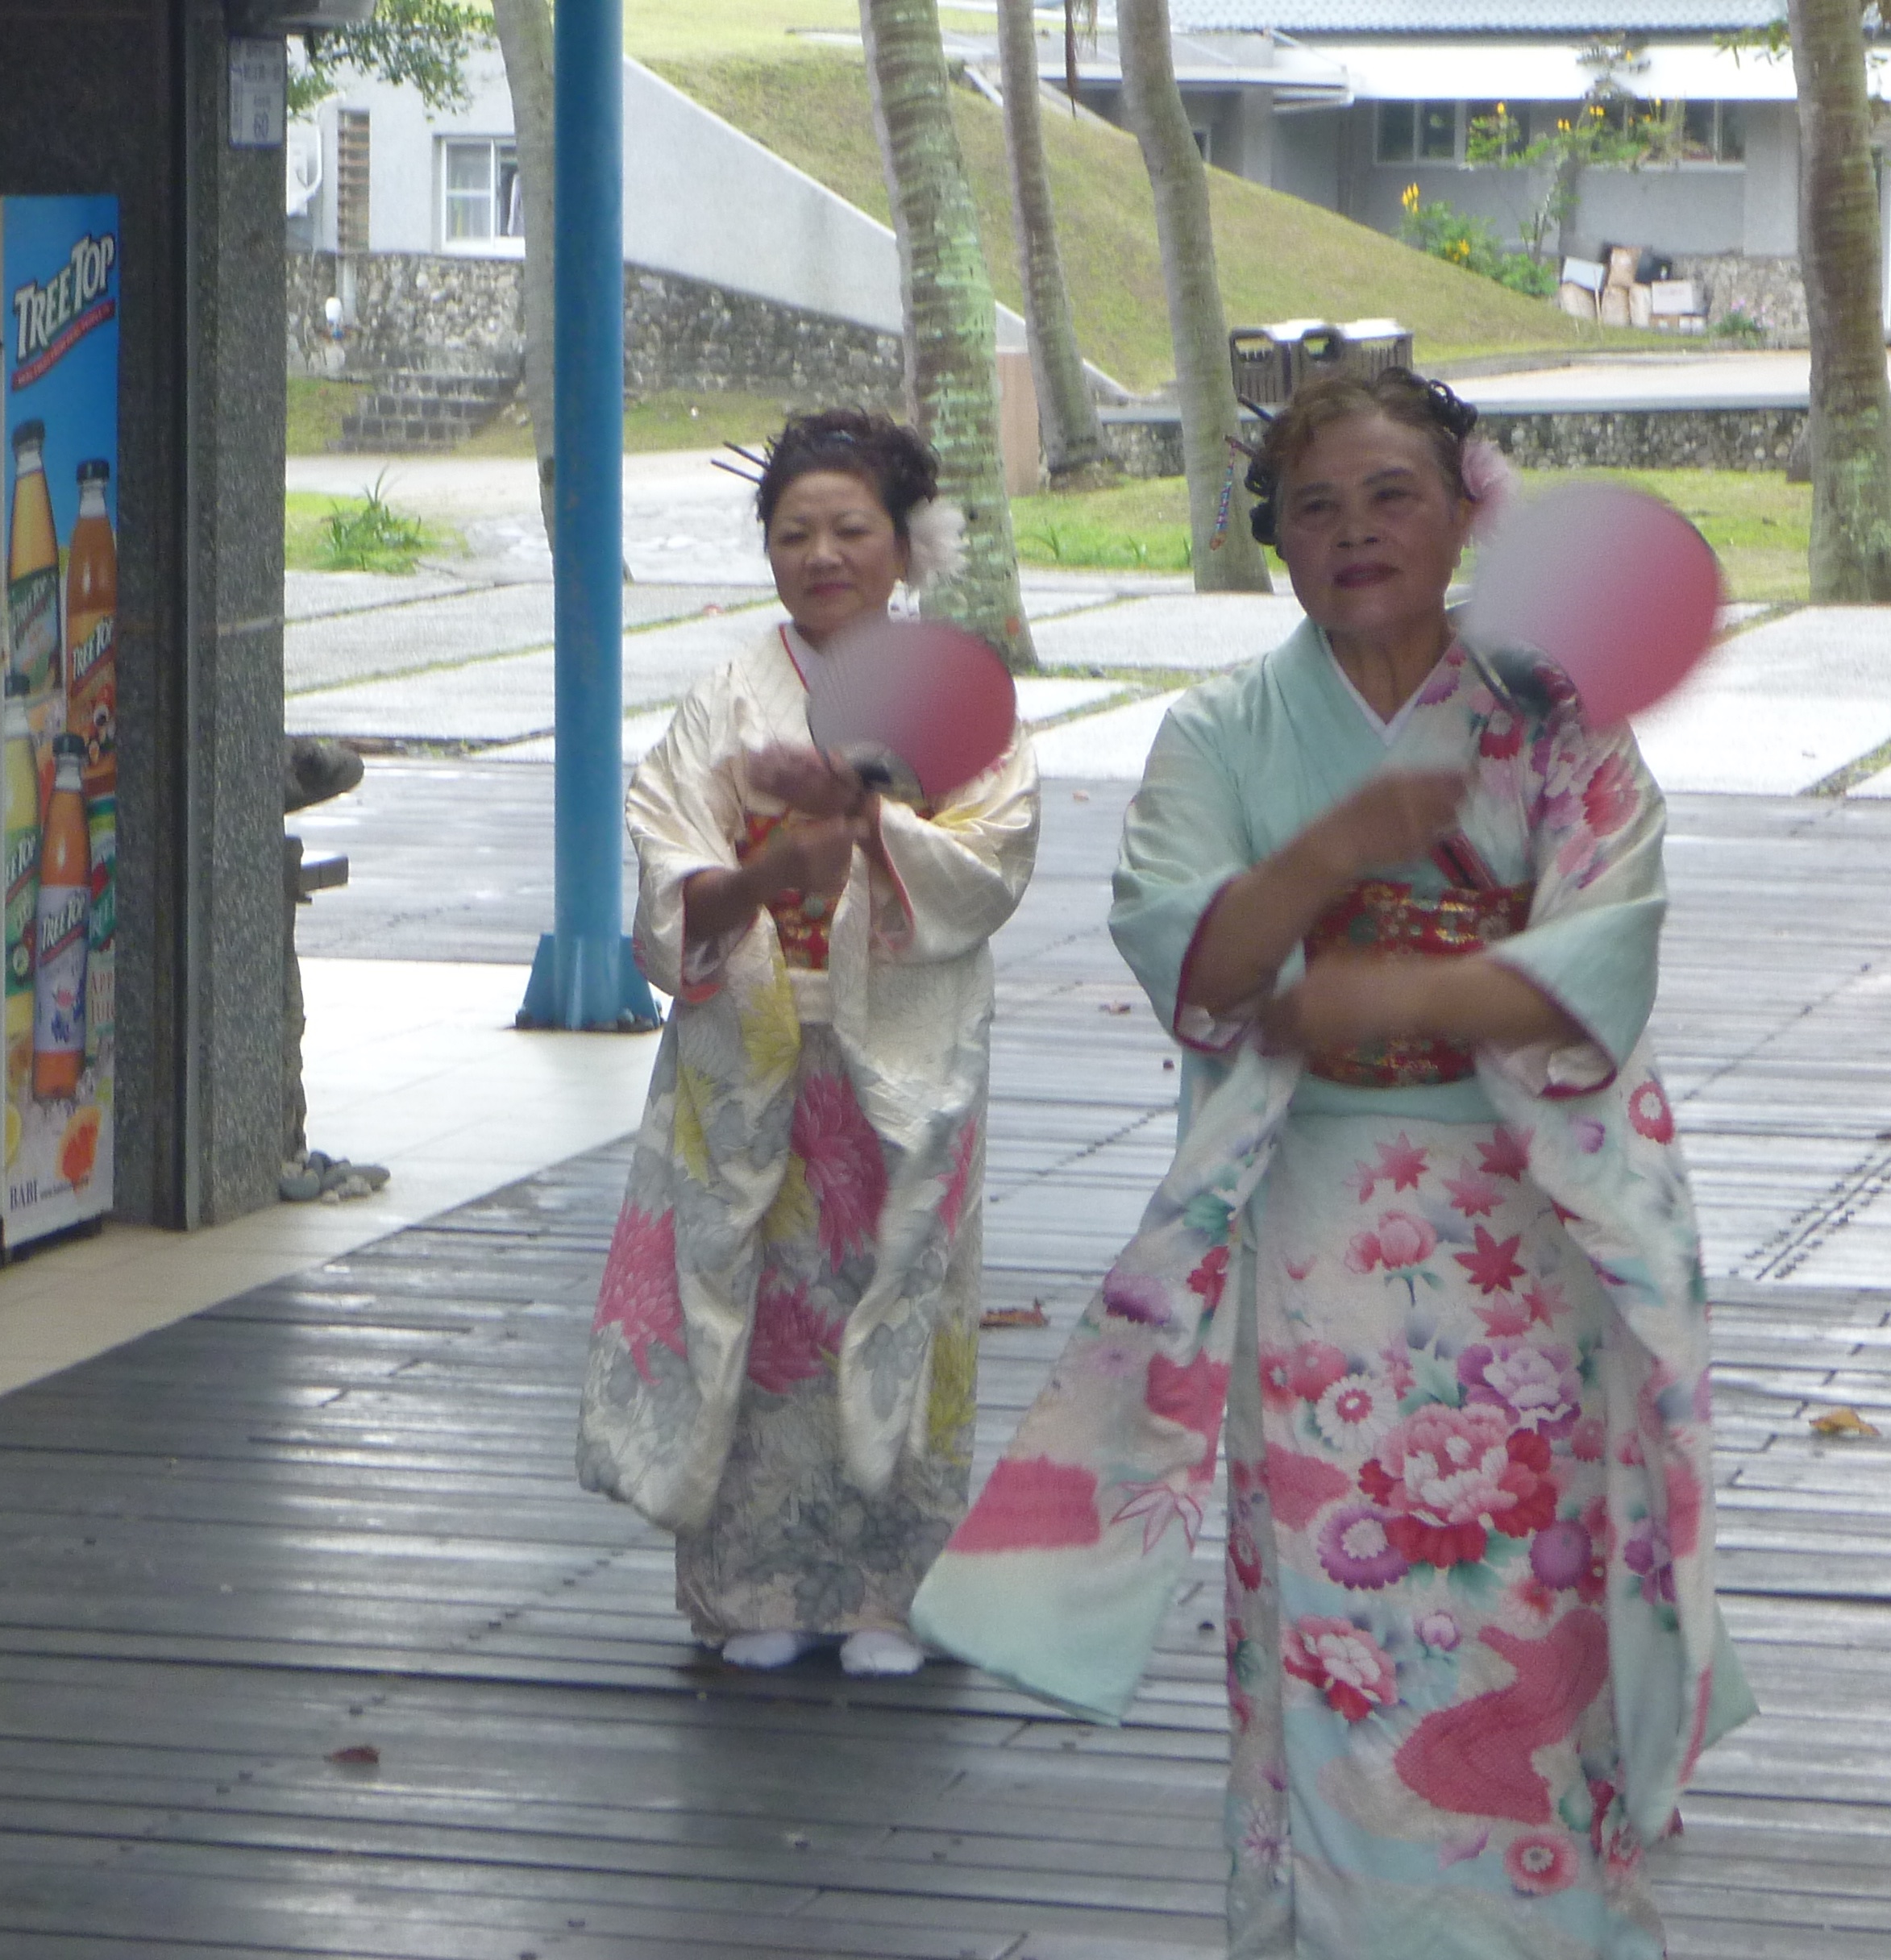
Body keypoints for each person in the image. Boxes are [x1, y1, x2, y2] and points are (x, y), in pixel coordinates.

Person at [913, 371, 1750, 1955]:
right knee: (1329, 1613)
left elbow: (1602, 957)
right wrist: (1334, 855)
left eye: (1392, 496)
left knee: (1534, 1606)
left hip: (1521, 1237)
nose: (1356, 532)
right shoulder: (1219, 731)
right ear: (1276, 542)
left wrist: (1389, 995)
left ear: (1464, 519)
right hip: (1315, 1230)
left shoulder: (1555, 723)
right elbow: (1200, 964)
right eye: (1316, 507)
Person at [577, 410, 1040, 1678]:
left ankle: (895, 1592)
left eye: (850, 530)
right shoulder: (730, 693)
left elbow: (994, 858)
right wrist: (769, 871)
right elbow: (670, 854)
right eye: (793, 534)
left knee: (900, 1305)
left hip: (903, 1044)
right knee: (752, 1313)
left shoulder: (959, 696)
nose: (821, 555)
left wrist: (871, 824)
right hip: (756, 1041)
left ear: (908, 543)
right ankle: (750, 1583)